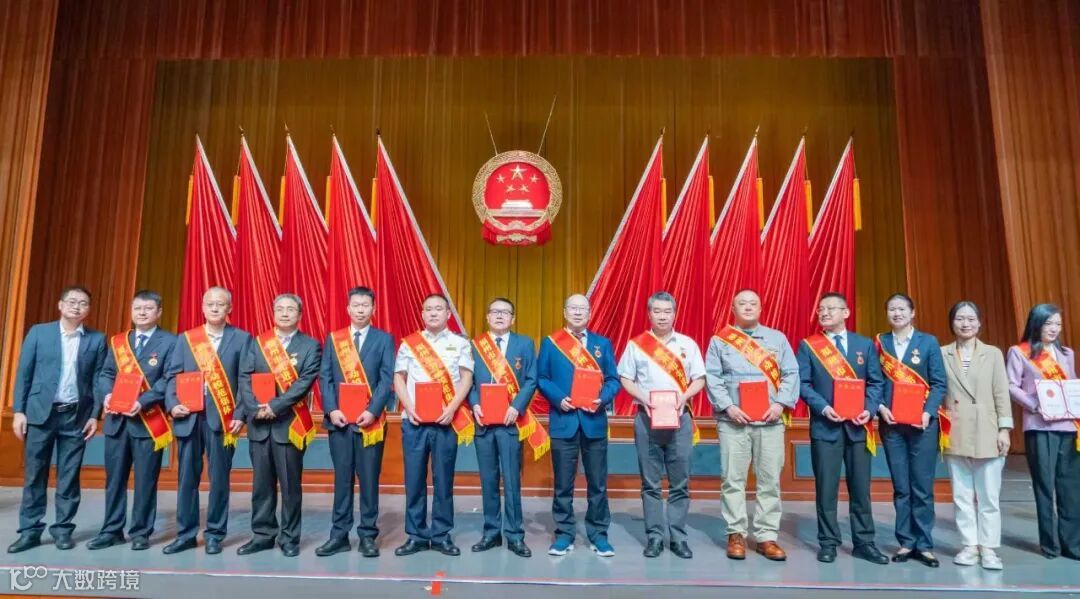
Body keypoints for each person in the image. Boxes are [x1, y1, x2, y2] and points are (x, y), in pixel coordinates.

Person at [8, 286, 106, 553]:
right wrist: (19, 411)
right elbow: (24, 373)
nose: (76, 306)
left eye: (82, 303)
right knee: (34, 474)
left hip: (76, 416)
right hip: (40, 414)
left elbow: (97, 380)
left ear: (88, 309)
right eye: (71, 301)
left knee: (69, 476)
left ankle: (63, 530)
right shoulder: (39, 333)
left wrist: (94, 416)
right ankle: (29, 531)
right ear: (60, 305)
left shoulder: (97, 340)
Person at [705, 289, 798, 562]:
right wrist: (728, 407)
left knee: (769, 480)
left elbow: (791, 373)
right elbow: (712, 377)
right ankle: (735, 533)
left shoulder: (777, 339)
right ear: (733, 309)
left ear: (760, 308)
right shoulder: (720, 341)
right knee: (732, 479)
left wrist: (780, 404)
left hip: (770, 422)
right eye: (742, 303)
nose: (747, 307)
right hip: (733, 422)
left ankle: (766, 536)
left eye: (753, 303)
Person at [796, 292, 887, 565]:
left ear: (846, 312)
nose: (824, 313)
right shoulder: (809, 346)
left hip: (858, 428)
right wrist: (824, 408)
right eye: (821, 309)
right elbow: (803, 384)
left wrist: (869, 409)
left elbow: (876, 383)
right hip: (825, 427)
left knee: (861, 489)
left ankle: (864, 542)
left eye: (830, 308)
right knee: (826, 489)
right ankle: (828, 542)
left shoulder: (864, 345)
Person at [162, 287, 249, 555]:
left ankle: (215, 534)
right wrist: (172, 403)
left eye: (220, 304)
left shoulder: (242, 338)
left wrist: (240, 414)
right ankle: (186, 534)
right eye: (210, 304)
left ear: (229, 308)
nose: (214, 308)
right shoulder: (187, 339)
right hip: (188, 417)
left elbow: (245, 380)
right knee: (186, 479)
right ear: (202, 307)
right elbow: (172, 376)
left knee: (219, 479)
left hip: (222, 418)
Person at [618, 291, 705, 559]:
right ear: (649, 313)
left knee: (680, 482)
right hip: (647, 420)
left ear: (675, 313)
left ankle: (678, 537)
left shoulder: (688, 344)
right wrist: (643, 398)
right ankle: (654, 537)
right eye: (657, 311)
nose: (663, 316)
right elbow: (625, 378)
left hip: (680, 419)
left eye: (667, 311)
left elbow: (699, 378)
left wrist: (685, 397)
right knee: (650, 483)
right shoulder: (637, 345)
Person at [87, 290, 176, 551]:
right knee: (114, 480)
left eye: (148, 308)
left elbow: (168, 380)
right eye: (137, 308)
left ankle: (141, 532)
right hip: (117, 422)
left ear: (159, 312)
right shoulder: (118, 342)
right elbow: (105, 374)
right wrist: (107, 395)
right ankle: (111, 530)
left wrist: (143, 401)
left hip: (148, 422)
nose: (142, 313)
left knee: (146, 480)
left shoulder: (171, 342)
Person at [236, 294, 321, 557]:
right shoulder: (258, 342)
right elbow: (245, 377)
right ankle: (262, 535)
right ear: (273, 313)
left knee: (290, 485)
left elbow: (304, 383)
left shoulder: (310, 346)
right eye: (280, 309)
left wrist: (274, 406)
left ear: (300, 315)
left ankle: (289, 537)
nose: (284, 313)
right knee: (261, 485)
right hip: (259, 425)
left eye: (290, 309)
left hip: (289, 425)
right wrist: (254, 408)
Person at [537, 293, 620, 557]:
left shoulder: (602, 344)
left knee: (598, 484)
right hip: (564, 421)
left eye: (582, 308)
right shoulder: (551, 343)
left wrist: (602, 399)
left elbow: (613, 380)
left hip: (594, 421)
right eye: (572, 308)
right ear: (564, 312)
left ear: (590, 313)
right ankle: (564, 534)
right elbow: (542, 378)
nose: (577, 312)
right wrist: (558, 398)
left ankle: (598, 534)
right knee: (563, 484)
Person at [316, 286, 395, 558]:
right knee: (342, 479)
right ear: (348, 308)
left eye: (365, 305)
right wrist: (331, 409)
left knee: (369, 480)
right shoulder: (334, 339)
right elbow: (325, 377)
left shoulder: (384, 339)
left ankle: (368, 535)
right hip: (339, 422)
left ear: (374, 309)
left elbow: (386, 379)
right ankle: (338, 535)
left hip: (370, 423)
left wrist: (373, 411)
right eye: (356, 305)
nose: (361, 310)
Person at [393, 294, 474, 557]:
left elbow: (466, 379)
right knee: (414, 480)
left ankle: (441, 535)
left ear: (448, 314)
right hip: (414, 421)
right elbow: (399, 378)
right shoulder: (409, 343)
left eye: (439, 309)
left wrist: (452, 409)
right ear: (422, 314)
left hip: (445, 421)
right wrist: (409, 407)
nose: (433, 313)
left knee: (443, 480)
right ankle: (416, 535)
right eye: (428, 309)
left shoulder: (460, 343)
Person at [875, 293, 947, 567]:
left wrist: (928, 413)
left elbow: (938, 383)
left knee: (922, 486)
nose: (897, 313)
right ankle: (906, 542)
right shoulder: (879, 343)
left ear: (912, 312)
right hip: (892, 424)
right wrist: (881, 407)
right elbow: (873, 380)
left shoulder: (928, 342)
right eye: (892, 309)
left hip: (922, 426)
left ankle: (925, 545)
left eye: (902, 309)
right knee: (901, 486)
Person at [941, 301, 1011, 570]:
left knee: (989, 496)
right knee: (961, 495)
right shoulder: (942, 353)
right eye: (960, 318)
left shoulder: (992, 354)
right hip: (956, 430)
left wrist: (1004, 429)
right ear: (952, 323)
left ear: (980, 323)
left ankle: (989, 548)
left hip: (987, 430)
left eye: (971, 319)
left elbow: (1001, 393)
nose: (965, 323)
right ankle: (969, 545)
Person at [1007, 303, 1080, 560]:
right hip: (1040, 427)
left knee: (1070, 488)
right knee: (1044, 486)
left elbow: (1071, 384)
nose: (1054, 329)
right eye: (1049, 323)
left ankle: (1073, 545)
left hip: (1068, 426)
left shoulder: (1067, 353)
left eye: (1058, 324)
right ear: (1036, 324)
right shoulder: (1020, 352)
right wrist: (1034, 405)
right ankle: (1050, 545)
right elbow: (1011, 385)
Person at [469, 297, 538, 558]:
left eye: (505, 312)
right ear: (487, 317)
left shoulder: (524, 344)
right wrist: (474, 404)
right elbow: (467, 381)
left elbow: (531, 379)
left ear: (513, 318)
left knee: (511, 480)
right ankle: (491, 532)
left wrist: (517, 407)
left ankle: (515, 534)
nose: (500, 316)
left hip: (510, 422)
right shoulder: (475, 345)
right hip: (483, 423)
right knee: (488, 479)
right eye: (495, 312)